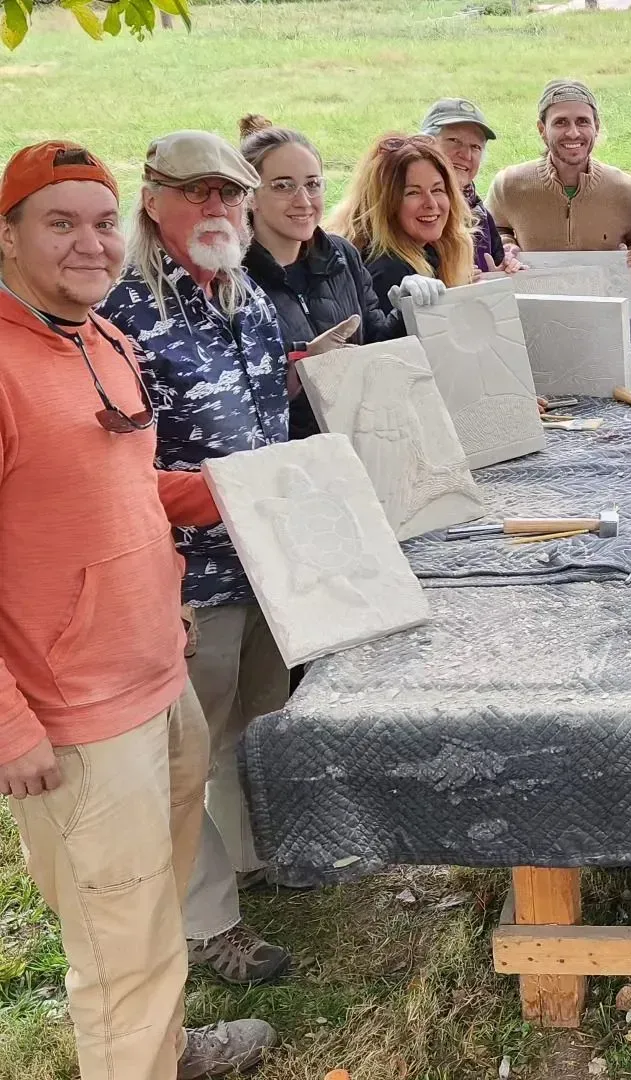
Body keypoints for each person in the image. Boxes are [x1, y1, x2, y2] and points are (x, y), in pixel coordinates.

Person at [0, 140, 274, 1079]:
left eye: (100, 220)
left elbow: (120, 490)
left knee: (153, 906)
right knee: (117, 943)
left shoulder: (100, 338)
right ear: (8, 236)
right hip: (77, 714)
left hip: (159, 671)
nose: (89, 243)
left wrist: (225, 491)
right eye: (59, 222)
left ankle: (165, 1048)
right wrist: (10, 725)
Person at [99, 130, 295, 989]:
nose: (216, 208)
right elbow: (106, 476)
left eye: (229, 193)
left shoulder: (243, 294)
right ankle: (208, 922)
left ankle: (254, 863)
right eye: (195, 193)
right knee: (186, 751)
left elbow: (259, 418)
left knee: (249, 724)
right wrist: (214, 495)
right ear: (152, 199)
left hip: (265, 563)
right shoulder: (119, 312)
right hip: (185, 576)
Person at [238, 116, 435, 439]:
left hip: (364, 443)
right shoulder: (233, 280)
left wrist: (407, 310)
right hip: (294, 460)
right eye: (283, 186)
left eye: (313, 184)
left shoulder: (341, 256)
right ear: (250, 196)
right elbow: (239, 399)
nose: (303, 201)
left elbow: (375, 345)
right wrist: (304, 361)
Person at [485, 80, 631, 279]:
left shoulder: (627, 190)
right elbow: (493, 230)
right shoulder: (509, 185)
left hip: (607, 304)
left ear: (596, 127)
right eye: (560, 122)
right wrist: (506, 246)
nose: (573, 133)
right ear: (542, 130)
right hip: (534, 305)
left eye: (583, 121)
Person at [328, 132, 471, 314]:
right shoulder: (389, 272)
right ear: (385, 204)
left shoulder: (431, 249)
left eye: (437, 190)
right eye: (413, 192)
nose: (431, 204)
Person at [420, 96, 523, 274]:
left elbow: (496, 264)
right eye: (454, 141)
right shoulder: (415, 209)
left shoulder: (478, 210)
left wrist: (505, 269)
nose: (466, 155)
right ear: (425, 144)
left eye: (475, 147)